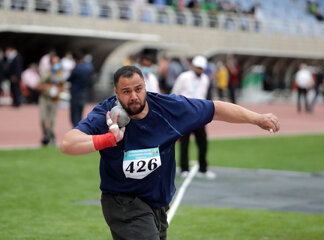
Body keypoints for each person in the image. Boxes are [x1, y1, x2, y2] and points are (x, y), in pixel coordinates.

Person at [60, 65, 280, 240]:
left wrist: (257, 119)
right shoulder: (106, 115)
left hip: (157, 203)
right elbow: (68, 144)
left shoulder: (170, 108)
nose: (134, 96)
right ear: (116, 94)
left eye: (138, 89)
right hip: (122, 202)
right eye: (126, 92)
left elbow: (217, 109)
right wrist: (108, 139)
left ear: (145, 87)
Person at [172, 55, 215, 179]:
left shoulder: (206, 79)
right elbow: (175, 92)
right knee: (184, 143)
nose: (199, 70)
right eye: (197, 67)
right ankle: (184, 168)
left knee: (203, 143)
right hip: (185, 114)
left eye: (201, 68)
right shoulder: (184, 77)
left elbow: (205, 96)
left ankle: (203, 168)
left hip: (199, 115)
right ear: (192, 66)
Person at [38, 55, 66, 145]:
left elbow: (63, 87)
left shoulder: (60, 74)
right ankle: (46, 134)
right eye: (53, 62)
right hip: (45, 99)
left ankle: (50, 136)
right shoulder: (45, 73)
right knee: (42, 119)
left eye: (57, 62)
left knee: (52, 120)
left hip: (55, 100)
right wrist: (45, 87)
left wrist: (60, 89)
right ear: (50, 63)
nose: (55, 64)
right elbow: (38, 86)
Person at [67, 51, 94, 127]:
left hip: (75, 92)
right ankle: (79, 126)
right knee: (80, 111)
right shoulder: (89, 67)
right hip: (83, 91)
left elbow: (69, 79)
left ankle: (75, 127)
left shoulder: (77, 68)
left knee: (74, 112)